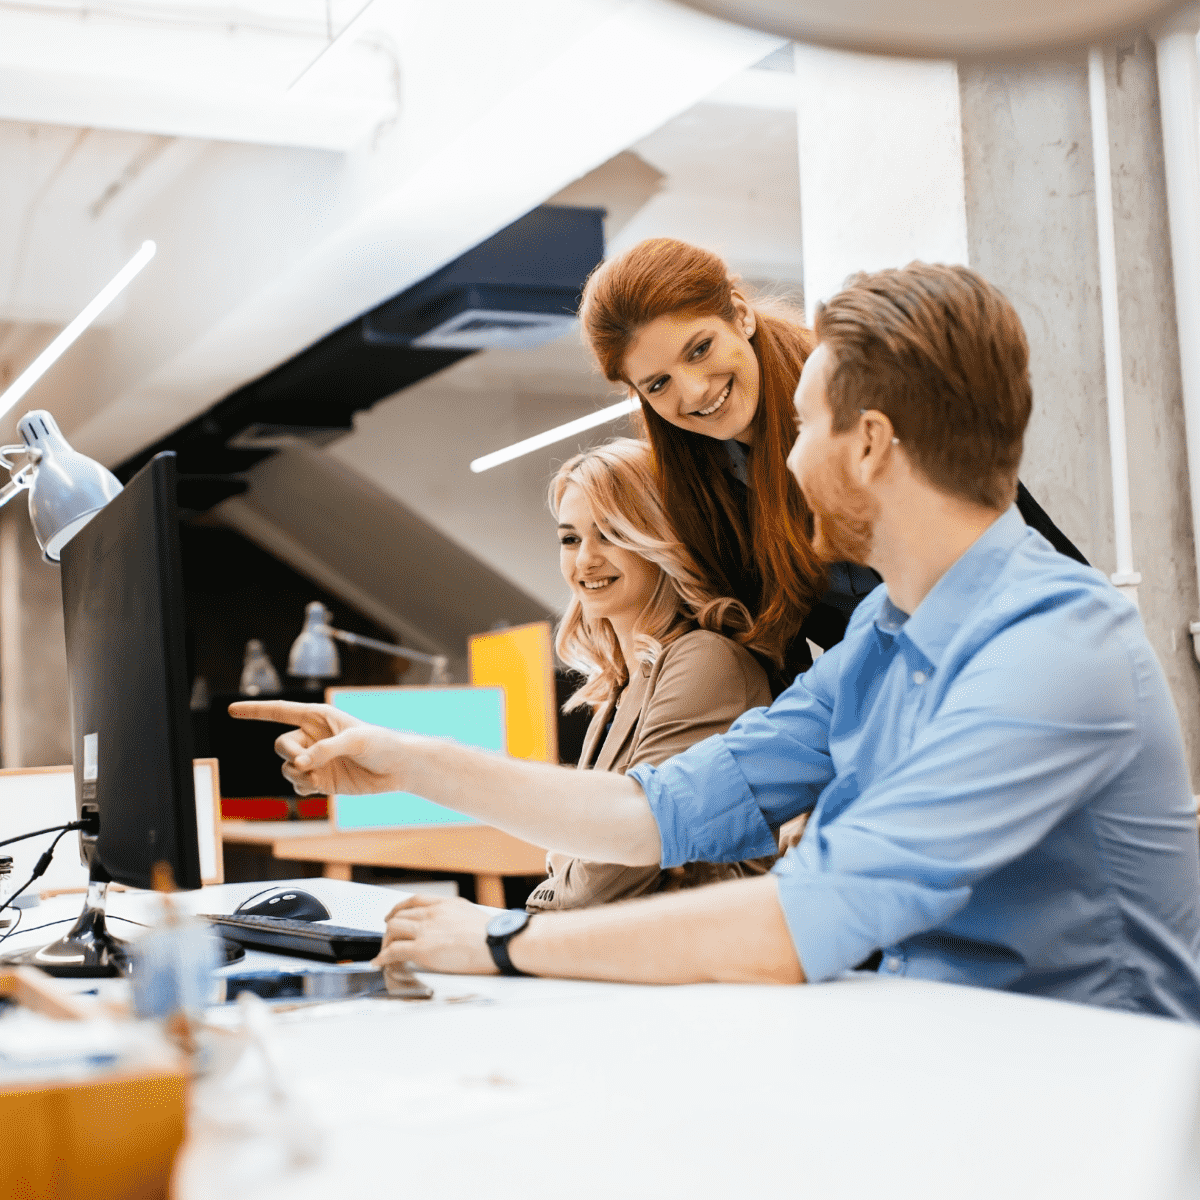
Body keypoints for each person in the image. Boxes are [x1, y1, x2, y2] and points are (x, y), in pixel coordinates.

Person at [232, 262, 1200, 1020]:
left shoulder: (1054, 647)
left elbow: (800, 922)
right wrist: (406, 759)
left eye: (802, 426)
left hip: (1083, 1101)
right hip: (938, 1056)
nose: (782, 457)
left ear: (866, 444)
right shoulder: (881, 633)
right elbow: (658, 811)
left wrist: (498, 944)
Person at [580, 237, 1087, 688]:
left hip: (1015, 670)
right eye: (657, 384)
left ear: (741, 314)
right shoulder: (704, 487)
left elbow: (1024, 555)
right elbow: (787, 669)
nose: (693, 390)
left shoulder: (861, 390)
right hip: (886, 707)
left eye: (699, 349)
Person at [527, 437, 777, 912]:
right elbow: (588, 866)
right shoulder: (620, 688)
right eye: (570, 538)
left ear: (660, 536)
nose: (585, 560)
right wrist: (572, 862)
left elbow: (600, 885)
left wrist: (564, 866)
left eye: (611, 533)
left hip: (704, 964)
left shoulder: (704, 661)